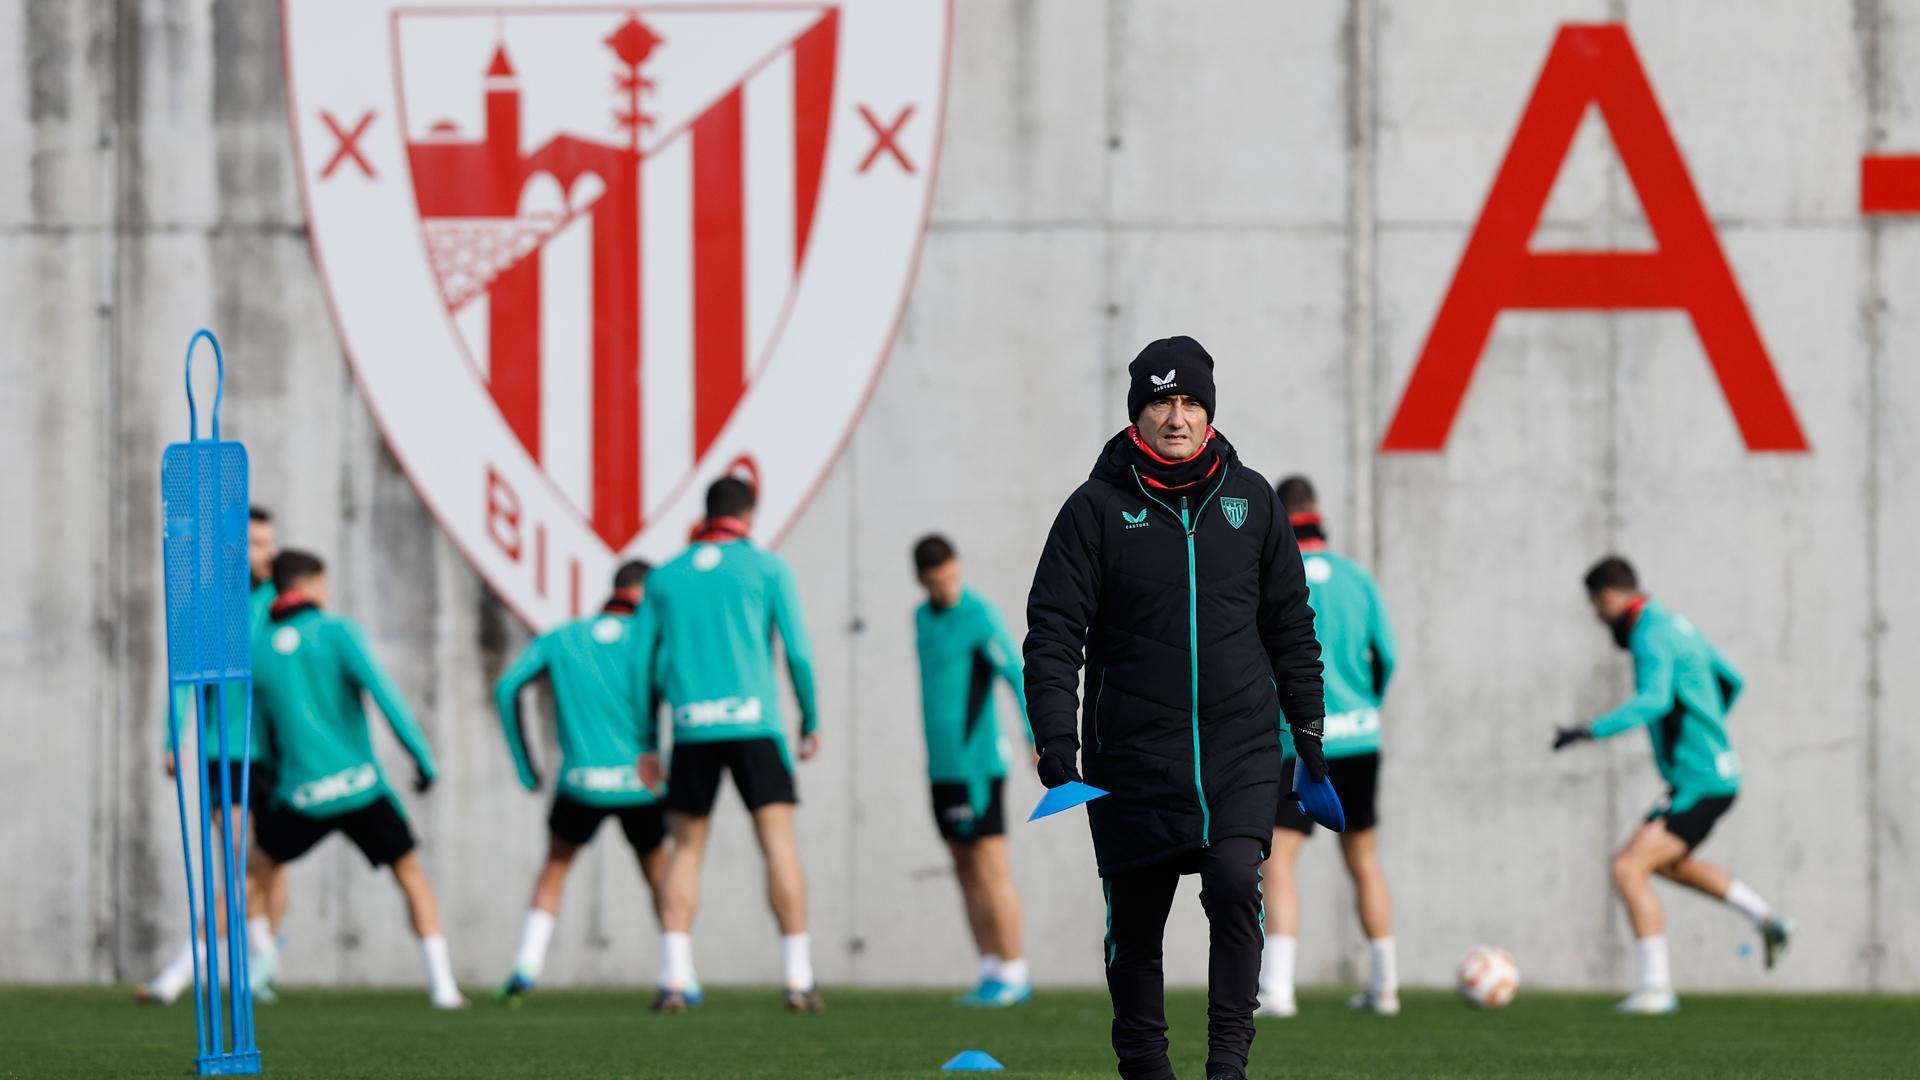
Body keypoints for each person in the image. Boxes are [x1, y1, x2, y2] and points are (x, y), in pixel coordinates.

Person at [1024, 336, 1325, 1080]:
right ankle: (1146, 1068)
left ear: (1210, 412)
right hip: (1131, 754)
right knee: (1134, 921)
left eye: (1190, 401)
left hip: (1241, 747)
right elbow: (1054, 631)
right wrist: (1055, 738)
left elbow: (1291, 626)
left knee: (1232, 880)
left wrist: (1309, 731)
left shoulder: (1252, 501)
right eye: (1161, 400)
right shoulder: (1093, 509)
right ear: (1137, 415)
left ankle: (1228, 1065)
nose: (1177, 416)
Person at [1554, 556, 1792, 1014]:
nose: (1597, 617)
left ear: (1607, 597)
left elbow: (1654, 700)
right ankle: (1767, 920)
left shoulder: (1648, 634)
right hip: (1715, 775)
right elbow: (1733, 680)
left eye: (1594, 607)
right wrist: (1709, 725)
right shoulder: (1676, 624)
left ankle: (1657, 987)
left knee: (1628, 867)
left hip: (1698, 781)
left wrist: (1589, 730)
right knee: (1669, 864)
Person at [635, 477, 824, 1014]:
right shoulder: (767, 568)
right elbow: (800, 652)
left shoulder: (664, 578)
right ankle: (798, 979)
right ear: (749, 513)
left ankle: (674, 978)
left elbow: (641, 665)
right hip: (754, 725)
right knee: (778, 844)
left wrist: (648, 740)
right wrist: (810, 717)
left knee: (686, 851)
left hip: (693, 728)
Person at [246, 550, 467, 1009]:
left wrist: (272, 782)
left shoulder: (259, 648)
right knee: (410, 875)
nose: (327, 594)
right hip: (360, 787)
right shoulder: (337, 631)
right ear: (307, 587)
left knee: (250, 876)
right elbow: (385, 696)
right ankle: (443, 986)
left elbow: (261, 735)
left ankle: (205, 970)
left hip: (301, 794)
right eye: (323, 585)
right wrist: (423, 759)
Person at [492, 560, 683, 1002]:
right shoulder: (649, 642)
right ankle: (679, 974)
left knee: (556, 866)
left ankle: (527, 965)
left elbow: (507, 689)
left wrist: (525, 765)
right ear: (646, 595)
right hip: (642, 782)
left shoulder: (563, 638)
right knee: (659, 872)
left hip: (580, 782)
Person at [1258, 477, 1400, 1018]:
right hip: (1359, 738)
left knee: (1278, 858)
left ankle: (1279, 989)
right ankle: (1385, 986)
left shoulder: (1274, 576)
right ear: (1317, 513)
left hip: (1296, 740)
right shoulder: (1356, 579)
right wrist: (1362, 708)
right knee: (1363, 858)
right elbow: (1387, 654)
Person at [141, 505, 284, 1004]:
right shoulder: (208, 607)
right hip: (225, 753)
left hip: (276, 756)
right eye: (257, 543)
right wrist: (171, 740)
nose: (268, 552)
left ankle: (261, 964)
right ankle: (185, 971)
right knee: (246, 862)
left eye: (270, 543)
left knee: (268, 865)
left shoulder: (280, 605)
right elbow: (185, 684)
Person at [910, 534, 1034, 1007]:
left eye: (952, 577)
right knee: (962, 866)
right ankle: (989, 970)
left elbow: (1016, 675)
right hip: (940, 768)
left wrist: (1033, 736)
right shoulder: (920, 618)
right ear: (922, 580)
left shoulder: (979, 616)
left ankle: (1015, 971)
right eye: (937, 581)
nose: (946, 587)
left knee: (990, 864)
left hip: (979, 766)